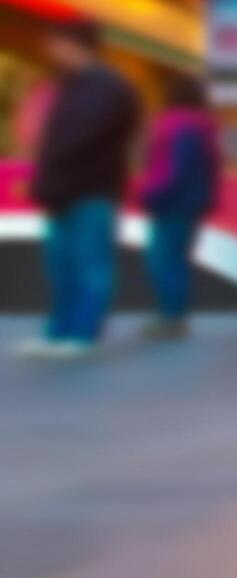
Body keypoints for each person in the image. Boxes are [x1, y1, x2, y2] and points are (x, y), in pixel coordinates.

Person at [17, 19, 140, 359]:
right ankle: (59, 331)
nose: (50, 51)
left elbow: (76, 140)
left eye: (55, 42)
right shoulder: (73, 86)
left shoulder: (108, 88)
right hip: (65, 190)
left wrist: (50, 168)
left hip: (91, 189)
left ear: (74, 44)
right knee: (62, 264)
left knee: (89, 263)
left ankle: (81, 333)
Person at [138, 75, 220, 339]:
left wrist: (150, 193)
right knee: (177, 259)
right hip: (193, 203)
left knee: (163, 259)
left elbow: (171, 168)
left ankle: (170, 315)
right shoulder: (204, 127)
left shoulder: (172, 124)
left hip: (170, 202)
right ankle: (175, 314)